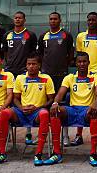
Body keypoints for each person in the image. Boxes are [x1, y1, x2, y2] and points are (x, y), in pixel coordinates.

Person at [0, 53, 55, 166]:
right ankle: (2, 152)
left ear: (39, 65)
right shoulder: (20, 78)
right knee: (5, 113)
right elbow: (15, 98)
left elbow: (51, 99)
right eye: (29, 64)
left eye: (34, 64)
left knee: (45, 113)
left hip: (37, 112)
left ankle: (38, 153)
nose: (31, 66)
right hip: (21, 111)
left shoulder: (46, 78)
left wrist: (38, 107)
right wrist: (22, 108)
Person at [48, 52, 97, 166]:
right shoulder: (70, 77)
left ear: (89, 63)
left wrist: (95, 104)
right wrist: (55, 103)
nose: (82, 64)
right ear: (76, 63)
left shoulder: (95, 77)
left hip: (87, 110)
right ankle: (56, 153)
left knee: (95, 112)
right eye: (79, 61)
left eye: (84, 61)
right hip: (72, 109)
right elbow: (60, 93)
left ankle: (93, 153)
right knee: (55, 112)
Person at [74, 12, 97, 146]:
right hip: (84, 74)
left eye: (93, 20)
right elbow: (80, 55)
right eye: (89, 20)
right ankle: (78, 135)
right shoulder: (80, 36)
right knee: (82, 101)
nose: (91, 22)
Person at [1, 11, 37, 144]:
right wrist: (8, 65)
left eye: (20, 18)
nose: (17, 20)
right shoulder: (7, 35)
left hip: (24, 72)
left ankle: (28, 132)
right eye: (15, 18)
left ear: (24, 20)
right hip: (10, 71)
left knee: (24, 100)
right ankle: (8, 131)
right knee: (9, 100)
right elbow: (4, 52)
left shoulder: (30, 35)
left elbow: (33, 54)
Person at [39, 11, 74, 147]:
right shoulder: (43, 36)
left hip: (62, 75)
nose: (53, 21)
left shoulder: (66, 35)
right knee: (46, 104)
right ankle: (44, 134)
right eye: (51, 19)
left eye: (55, 19)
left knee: (61, 105)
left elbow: (71, 54)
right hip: (47, 75)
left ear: (60, 21)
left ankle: (65, 136)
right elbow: (41, 54)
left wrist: (64, 66)